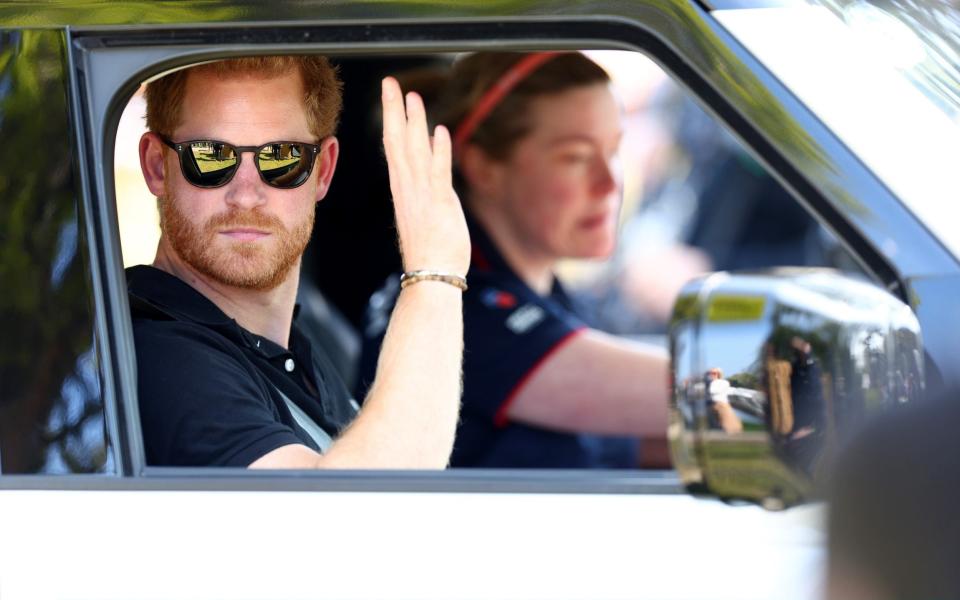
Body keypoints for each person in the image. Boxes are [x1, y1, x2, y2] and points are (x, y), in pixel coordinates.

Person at [130, 55, 470, 468]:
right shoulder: (158, 358)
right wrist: (434, 275)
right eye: (210, 155)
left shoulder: (292, 347)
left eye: (282, 158)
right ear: (155, 166)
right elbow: (348, 518)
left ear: (323, 170)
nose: (247, 196)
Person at [359, 52, 670, 469]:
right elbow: (689, 393)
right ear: (483, 166)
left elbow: (624, 446)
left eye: (614, 150)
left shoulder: (552, 298)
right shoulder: (453, 306)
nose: (611, 182)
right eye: (576, 157)